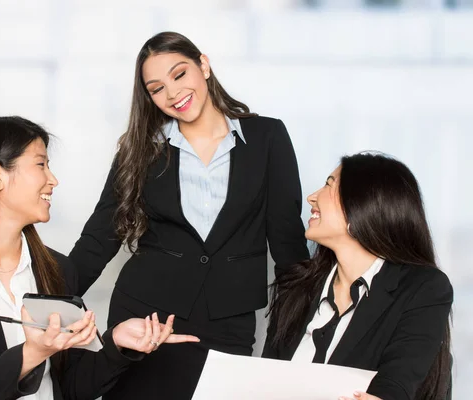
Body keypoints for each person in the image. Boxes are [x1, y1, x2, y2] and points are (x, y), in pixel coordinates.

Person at [68, 31, 310, 399]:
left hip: (228, 322)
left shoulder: (267, 137)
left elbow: (288, 244)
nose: (173, 94)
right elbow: (100, 237)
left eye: (179, 74)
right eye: (156, 88)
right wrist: (53, 304)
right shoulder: (141, 149)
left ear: (204, 65)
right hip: (145, 318)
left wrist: (288, 342)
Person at [0, 116, 198, 400]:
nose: (53, 180)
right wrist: (33, 353)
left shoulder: (56, 269)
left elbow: (73, 388)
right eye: (41, 165)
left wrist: (116, 344)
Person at [263, 152, 453, 400]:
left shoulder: (423, 288)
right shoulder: (297, 287)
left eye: (329, 185)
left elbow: (397, 383)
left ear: (361, 207)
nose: (312, 197)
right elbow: (264, 380)